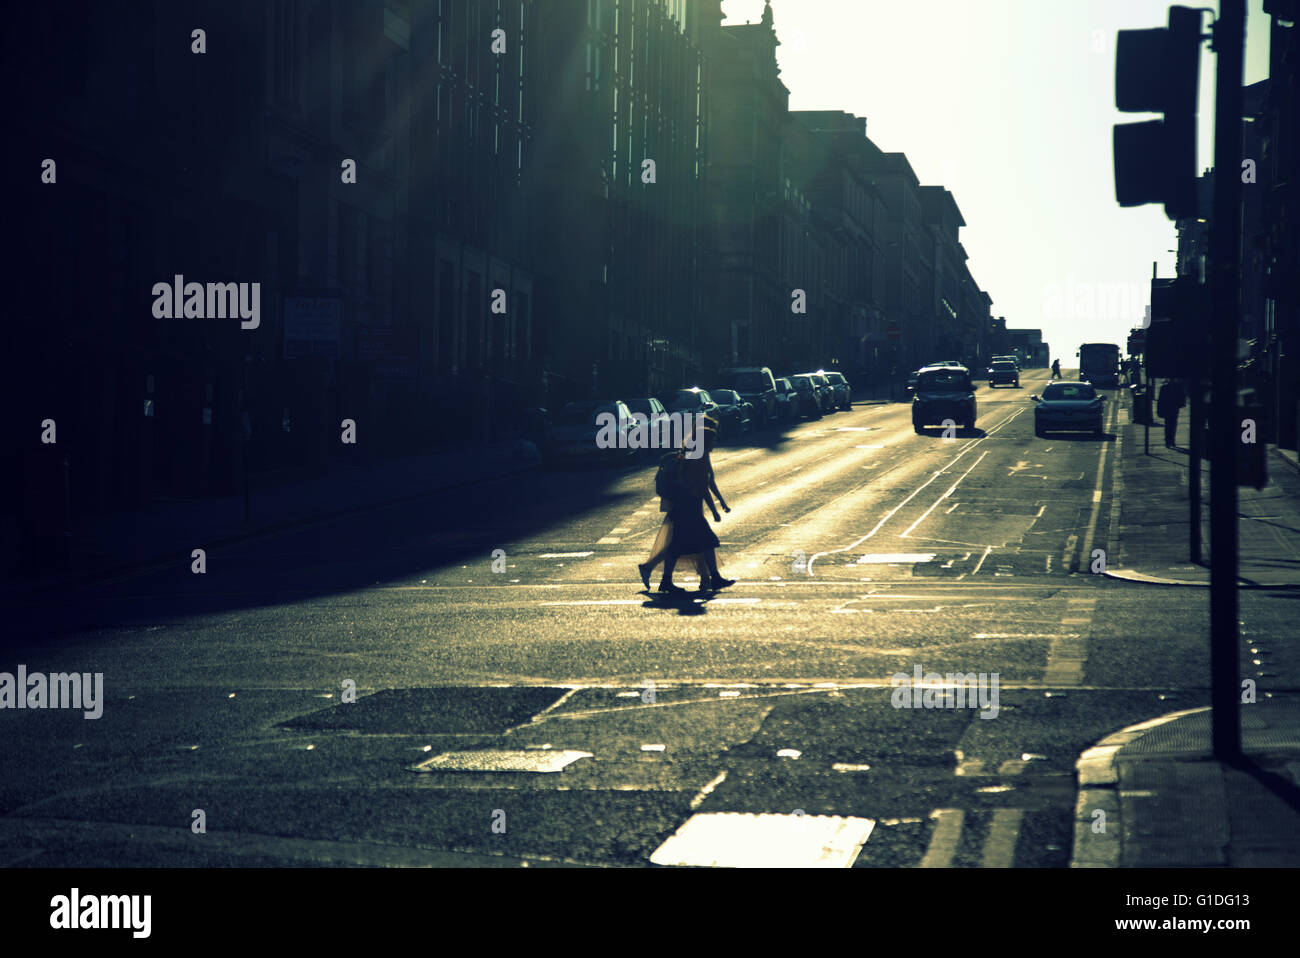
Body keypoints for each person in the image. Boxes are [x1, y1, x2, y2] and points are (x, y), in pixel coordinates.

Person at [640, 420, 733, 593]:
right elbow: (703, 487)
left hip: (685, 505)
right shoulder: (698, 458)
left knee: (687, 544)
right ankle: (710, 578)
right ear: (705, 442)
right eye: (713, 440)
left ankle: (708, 578)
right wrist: (715, 511)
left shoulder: (691, 454)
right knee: (702, 542)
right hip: (688, 507)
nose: (715, 443)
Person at [1157, 378, 1186, 448]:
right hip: (1173, 408)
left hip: (1169, 408)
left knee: (1168, 425)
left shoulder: (1165, 387)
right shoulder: (1178, 387)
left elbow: (1160, 400)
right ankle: (1171, 440)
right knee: (1172, 424)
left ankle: (1169, 441)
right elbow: (1182, 397)